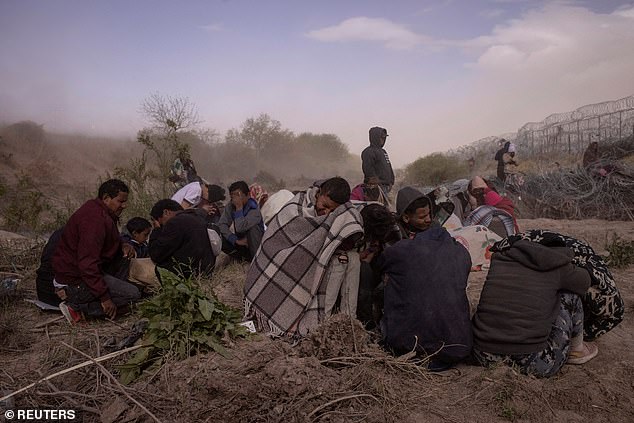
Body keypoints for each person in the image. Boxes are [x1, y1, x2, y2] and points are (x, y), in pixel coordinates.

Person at [243, 177, 364, 337]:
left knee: (351, 259)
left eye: (332, 210)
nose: (326, 212)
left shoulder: (343, 213)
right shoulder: (297, 206)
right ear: (319, 194)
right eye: (325, 205)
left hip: (313, 264)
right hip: (286, 260)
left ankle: (340, 328)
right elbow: (279, 237)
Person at [379, 187, 473, 369]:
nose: (428, 220)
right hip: (458, 346)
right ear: (406, 218)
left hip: (410, 341)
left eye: (429, 214)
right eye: (422, 217)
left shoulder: (430, 236)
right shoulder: (395, 236)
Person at [472, 239, 595, 377]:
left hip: (482, 355)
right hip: (535, 363)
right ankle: (577, 350)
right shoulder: (558, 266)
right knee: (570, 296)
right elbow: (585, 282)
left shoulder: (500, 258)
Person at [52, 179, 141, 323]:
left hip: (87, 271)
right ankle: (79, 307)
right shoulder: (94, 220)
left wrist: (123, 244)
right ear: (106, 198)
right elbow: (87, 264)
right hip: (77, 278)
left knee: (124, 260)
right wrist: (104, 297)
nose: (124, 206)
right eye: (120, 201)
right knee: (133, 295)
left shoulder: (101, 211)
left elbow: (108, 239)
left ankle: (102, 294)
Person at [149, 199, 215, 279]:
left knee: (160, 269)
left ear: (166, 212)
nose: (163, 226)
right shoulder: (196, 217)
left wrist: (157, 229)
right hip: (207, 269)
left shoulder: (174, 222)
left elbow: (156, 254)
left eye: (161, 222)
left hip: (191, 273)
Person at [218, 181, 265, 261]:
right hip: (239, 241)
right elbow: (222, 224)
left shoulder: (253, 210)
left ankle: (256, 260)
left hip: (255, 245)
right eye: (233, 196)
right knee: (218, 234)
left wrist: (239, 208)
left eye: (238, 195)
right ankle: (240, 258)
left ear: (248, 195)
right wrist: (234, 239)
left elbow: (240, 228)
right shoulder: (231, 206)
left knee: (253, 229)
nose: (236, 199)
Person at [361, 127, 395, 195]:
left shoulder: (383, 151)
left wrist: (391, 181)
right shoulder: (369, 152)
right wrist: (375, 183)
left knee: (386, 205)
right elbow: (368, 169)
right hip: (376, 188)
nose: (383, 140)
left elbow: (389, 166)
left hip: (386, 187)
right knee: (378, 205)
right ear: (375, 137)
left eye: (384, 138)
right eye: (381, 137)